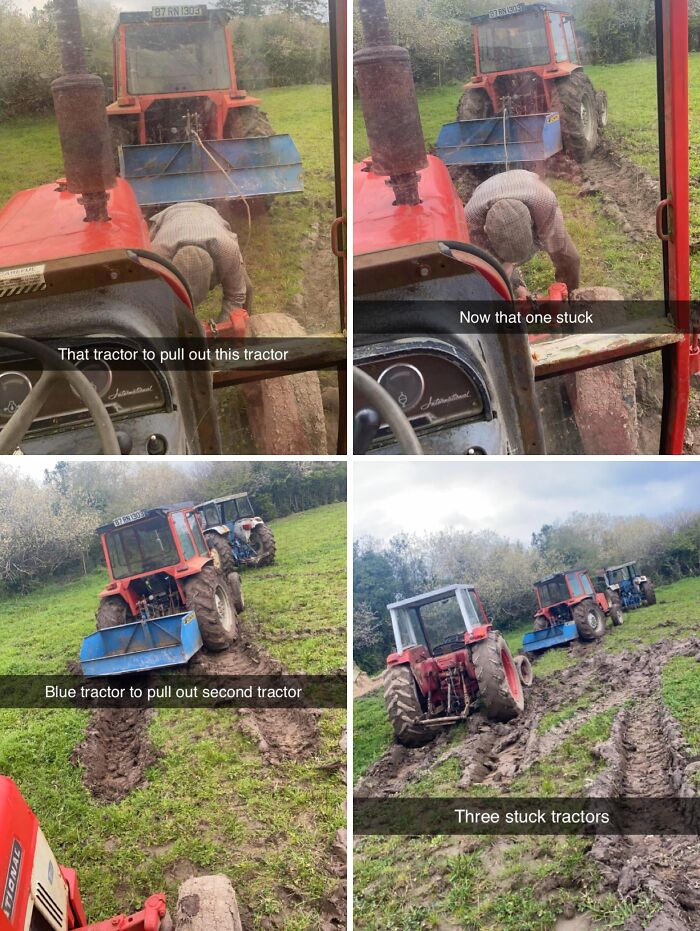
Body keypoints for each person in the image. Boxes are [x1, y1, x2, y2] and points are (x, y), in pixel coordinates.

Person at [465, 169, 580, 296]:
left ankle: (569, 297)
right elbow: (483, 260)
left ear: (531, 222)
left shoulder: (544, 203)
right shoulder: (471, 221)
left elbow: (553, 242)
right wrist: (512, 281)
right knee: (493, 269)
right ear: (486, 229)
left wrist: (511, 263)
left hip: (528, 185)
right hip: (485, 191)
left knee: (569, 258)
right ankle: (517, 289)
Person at [149, 202, 251, 321]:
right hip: (170, 215)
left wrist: (226, 329)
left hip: (207, 214)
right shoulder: (157, 256)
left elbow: (236, 296)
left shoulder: (227, 251)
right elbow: (151, 299)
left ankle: (245, 328)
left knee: (246, 288)